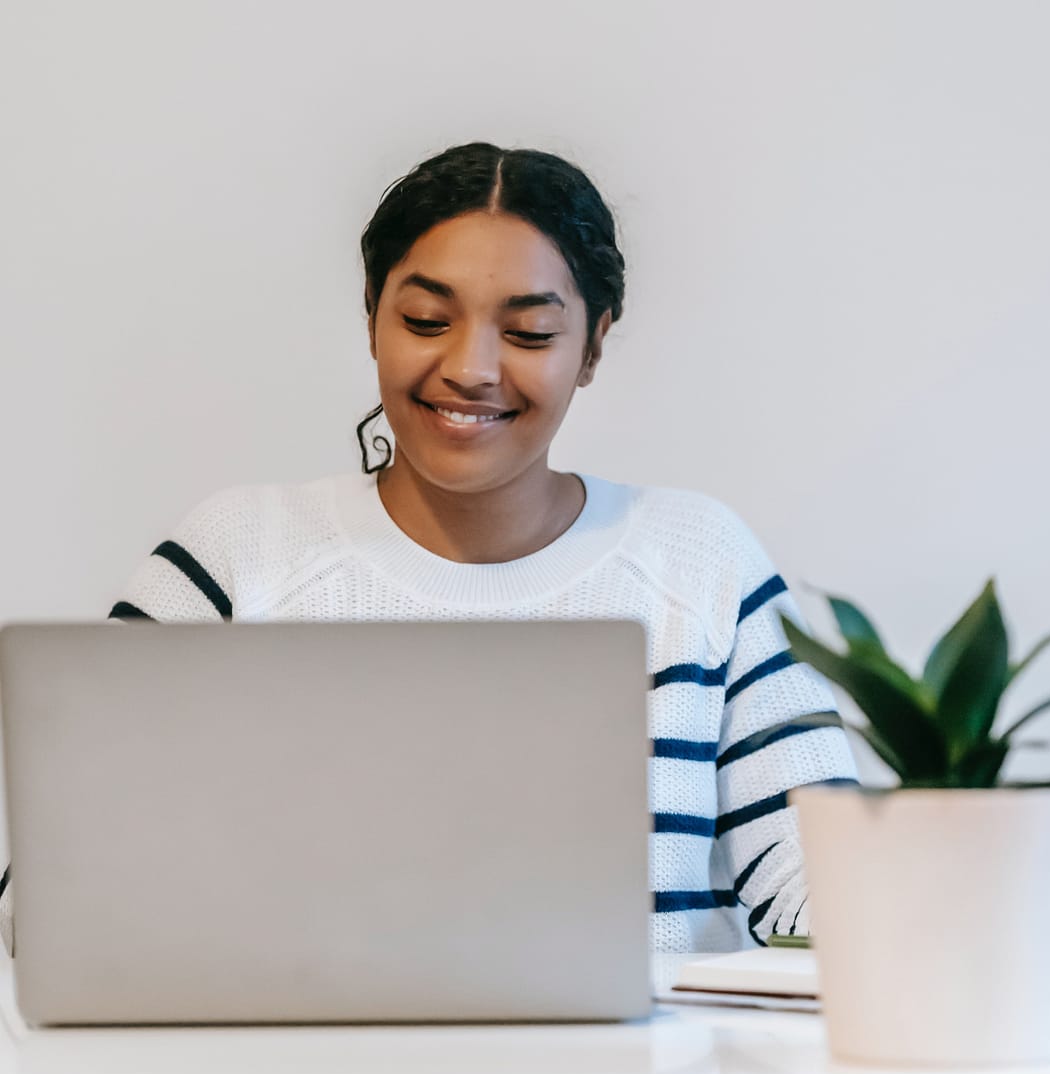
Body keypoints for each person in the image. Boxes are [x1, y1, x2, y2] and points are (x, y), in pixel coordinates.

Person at [1, 143, 856, 957]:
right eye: (425, 319)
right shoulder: (234, 556)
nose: (472, 368)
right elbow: (62, 877)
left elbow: (817, 881)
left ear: (593, 346)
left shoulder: (700, 559)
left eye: (528, 334)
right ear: (372, 315)